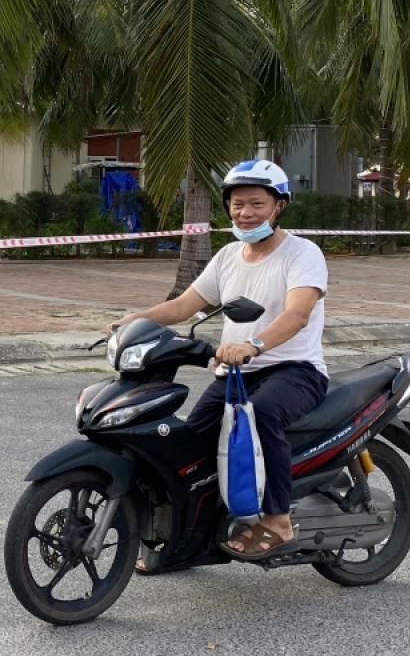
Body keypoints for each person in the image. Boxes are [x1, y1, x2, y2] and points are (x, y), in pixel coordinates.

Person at [109, 159, 328, 561]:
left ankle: (278, 520)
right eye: (237, 204)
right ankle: (193, 537)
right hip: (235, 374)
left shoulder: (303, 253)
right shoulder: (228, 256)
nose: (245, 213)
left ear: (280, 206)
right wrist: (132, 321)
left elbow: (298, 314)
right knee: (188, 443)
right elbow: (184, 306)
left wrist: (255, 345)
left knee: (261, 415)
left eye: (257, 204)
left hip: (294, 371)